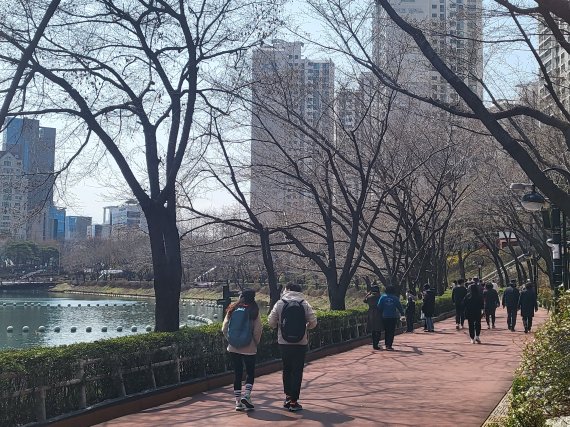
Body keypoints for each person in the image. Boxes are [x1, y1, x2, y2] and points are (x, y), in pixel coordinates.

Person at [268, 283, 317, 412]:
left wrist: (280, 325)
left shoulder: (280, 303)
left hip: (284, 342)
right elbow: (313, 322)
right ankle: (294, 402)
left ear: (287, 290)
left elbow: (271, 322)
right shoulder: (304, 303)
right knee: (297, 371)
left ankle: (288, 397)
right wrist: (305, 328)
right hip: (301, 342)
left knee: (287, 369)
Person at [222, 289, 262, 411]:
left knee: (237, 374)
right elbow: (257, 330)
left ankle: (238, 402)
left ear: (241, 296)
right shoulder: (254, 310)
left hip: (233, 347)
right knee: (250, 372)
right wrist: (255, 342)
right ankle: (247, 395)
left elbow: (224, 328)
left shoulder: (233, 308)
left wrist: (231, 340)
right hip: (249, 347)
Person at [377, 285, 405, 350]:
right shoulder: (395, 298)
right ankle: (389, 345)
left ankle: (386, 344)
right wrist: (402, 313)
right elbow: (399, 306)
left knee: (386, 331)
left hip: (385, 316)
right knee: (392, 331)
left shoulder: (382, 297)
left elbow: (379, 306)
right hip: (393, 316)